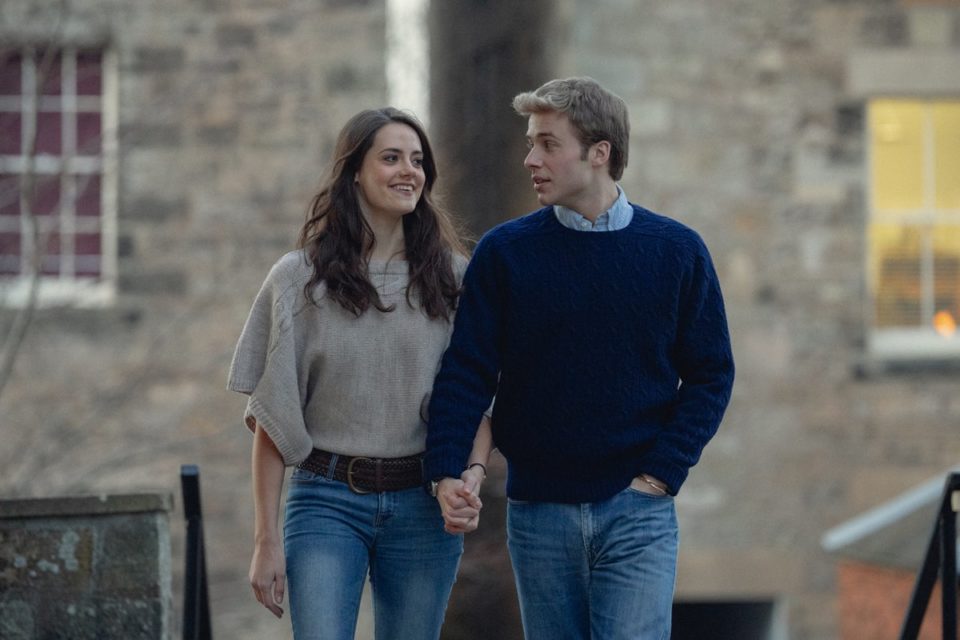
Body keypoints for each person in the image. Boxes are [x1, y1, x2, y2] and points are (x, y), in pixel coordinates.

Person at [424, 77, 735, 639]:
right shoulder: (506, 253)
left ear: (599, 154)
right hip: (539, 513)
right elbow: (467, 371)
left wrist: (662, 473)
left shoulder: (677, 251)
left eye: (547, 144)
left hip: (638, 512)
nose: (529, 159)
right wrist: (448, 468)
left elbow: (712, 373)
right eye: (529, 143)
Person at [227, 107, 491, 640]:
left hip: (423, 506)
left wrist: (471, 476)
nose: (407, 171)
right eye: (390, 158)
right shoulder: (299, 279)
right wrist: (265, 541)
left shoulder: (456, 279)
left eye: (417, 161)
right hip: (324, 502)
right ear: (353, 172)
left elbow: (478, 403)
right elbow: (274, 418)